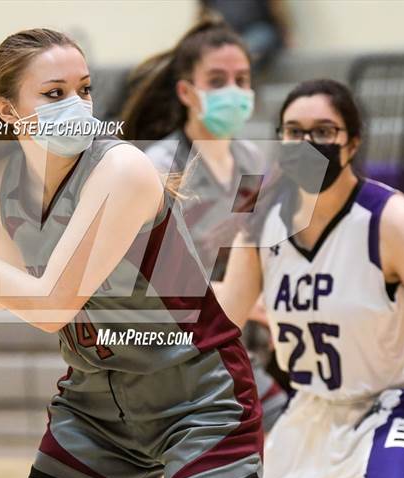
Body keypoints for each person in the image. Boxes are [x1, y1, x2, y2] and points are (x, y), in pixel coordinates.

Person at [0, 28, 263, 478]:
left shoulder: (121, 169)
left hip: (197, 397)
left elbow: (51, 308)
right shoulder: (5, 177)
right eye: (55, 93)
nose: (77, 105)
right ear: (7, 110)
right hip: (96, 408)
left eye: (83, 90)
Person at [220, 78, 404, 478]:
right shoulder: (260, 219)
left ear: (352, 143)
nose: (307, 143)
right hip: (313, 410)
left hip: (398, 402)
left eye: (323, 131)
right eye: (294, 132)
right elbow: (222, 321)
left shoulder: (388, 218)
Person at [121, 19, 287, 433]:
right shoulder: (159, 167)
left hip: (235, 339)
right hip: (172, 345)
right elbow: (148, 278)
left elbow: (246, 246)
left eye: (241, 80)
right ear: (186, 92)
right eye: (217, 80)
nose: (232, 90)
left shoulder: (252, 162)